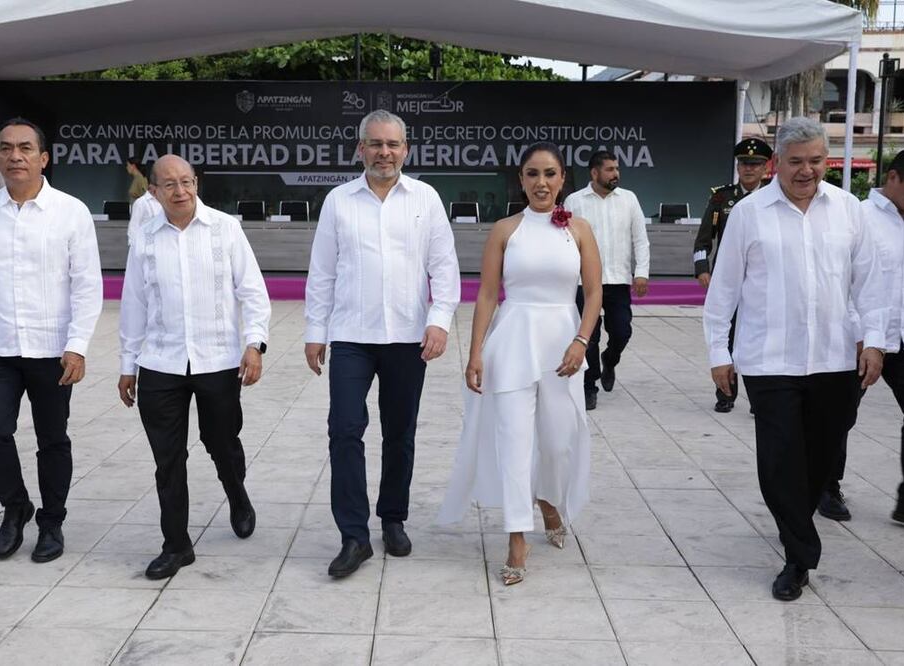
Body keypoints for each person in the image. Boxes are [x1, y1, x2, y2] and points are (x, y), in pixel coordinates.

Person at [703, 117, 888, 602]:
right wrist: (718, 353)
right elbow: (724, 289)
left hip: (835, 358)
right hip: (770, 360)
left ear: (827, 161)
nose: (806, 171)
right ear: (776, 164)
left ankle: (795, 525)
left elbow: (869, 283)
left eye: (816, 161)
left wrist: (874, 341)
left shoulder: (849, 210)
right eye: (796, 162)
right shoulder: (749, 214)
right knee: (780, 460)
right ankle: (798, 555)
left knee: (822, 456)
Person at [304, 110, 460, 578]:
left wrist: (439, 321)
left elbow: (445, 268)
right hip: (351, 336)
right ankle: (354, 535)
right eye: (375, 144)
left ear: (406, 150)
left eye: (392, 145)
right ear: (360, 149)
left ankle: (392, 518)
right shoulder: (338, 201)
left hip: (408, 338)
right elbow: (322, 272)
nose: (384, 153)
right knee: (344, 431)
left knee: (400, 434)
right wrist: (316, 332)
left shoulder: (426, 199)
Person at [437, 142, 602, 585]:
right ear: (521, 180)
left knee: (557, 443)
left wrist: (581, 341)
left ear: (563, 178)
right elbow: (488, 294)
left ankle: (549, 501)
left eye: (549, 174)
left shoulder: (580, 230)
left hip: (563, 346)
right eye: (532, 174)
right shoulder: (505, 230)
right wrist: (474, 352)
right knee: (512, 443)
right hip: (511, 344)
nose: (541, 183)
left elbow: (594, 293)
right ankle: (516, 537)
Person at [0, 118, 103, 563]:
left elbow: (86, 285)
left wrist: (77, 345)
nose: (14, 155)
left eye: (24, 148)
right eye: (5, 148)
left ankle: (51, 521)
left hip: (51, 350)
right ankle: (15, 506)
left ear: (43, 158)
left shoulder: (71, 211)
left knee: (52, 437)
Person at [118, 155, 270, 580]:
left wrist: (253, 344)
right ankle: (176, 545)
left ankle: (236, 495)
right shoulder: (145, 239)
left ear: (197, 183)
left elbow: (253, 292)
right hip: (161, 362)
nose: (180, 191)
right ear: (153, 192)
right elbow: (134, 306)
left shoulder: (225, 229)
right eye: (169, 185)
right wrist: (128, 365)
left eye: (187, 182)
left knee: (221, 442)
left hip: (218, 360)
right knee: (168, 458)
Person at [818, 146, 904, 524]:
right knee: (840, 416)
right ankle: (826, 486)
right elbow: (846, 280)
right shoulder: (858, 217)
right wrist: (860, 333)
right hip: (861, 339)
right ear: (893, 178)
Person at [564, 150, 649, 410]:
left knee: (622, 331)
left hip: (618, 280)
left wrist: (641, 272)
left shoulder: (629, 199)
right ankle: (589, 386)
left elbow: (640, 238)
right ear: (594, 173)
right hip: (583, 282)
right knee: (588, 336)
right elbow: (564, 241)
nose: (616, 174)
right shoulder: (574, 201)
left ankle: (610, 360)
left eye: (617, 169)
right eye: (610, 169)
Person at [692, 137, 773, 412]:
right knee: (726, 336)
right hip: (729, 279)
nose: (749, 169)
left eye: (755, 164)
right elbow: (704, 240)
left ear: (766, 168)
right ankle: (726, 393)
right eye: (744, 164)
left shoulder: (774, 198)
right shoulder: (722, 198)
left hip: (764, 281)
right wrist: (702, 270)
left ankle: (759, 396)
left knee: (758, 337)